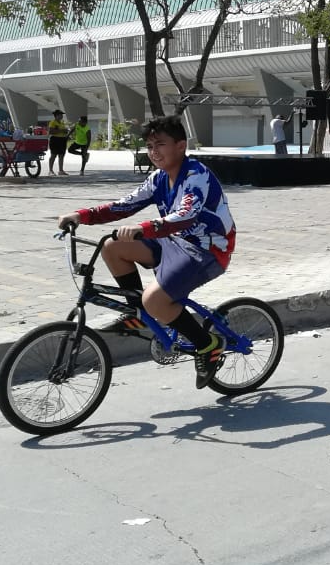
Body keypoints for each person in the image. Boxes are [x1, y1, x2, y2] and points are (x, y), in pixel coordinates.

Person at [56, 114, 236, 389]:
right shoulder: (159, 179)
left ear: (180, 145)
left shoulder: (196, 175)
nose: (154, 152)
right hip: (173, 240)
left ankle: (207, 344)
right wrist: (81, 216)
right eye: (150, 146)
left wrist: (144, 228)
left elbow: (186, 216)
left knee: (156, 301)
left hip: (207, 249)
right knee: (112, 247)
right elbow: (123, 206)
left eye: (160, 144)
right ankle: (137, 314)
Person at [48, 109, 70, 175]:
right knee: (53, 155)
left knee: (61, 155)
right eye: (60, 115)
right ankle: (50, 171)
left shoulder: (62, 122)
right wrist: (62, 130)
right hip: (55, 140)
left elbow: (63, 131)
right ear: (56, 115)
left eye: (62, 115)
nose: (61, 116)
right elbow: (51, 131)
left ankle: (61, 170)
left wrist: (66, 132)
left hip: (62, 140)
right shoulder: (53, 122)